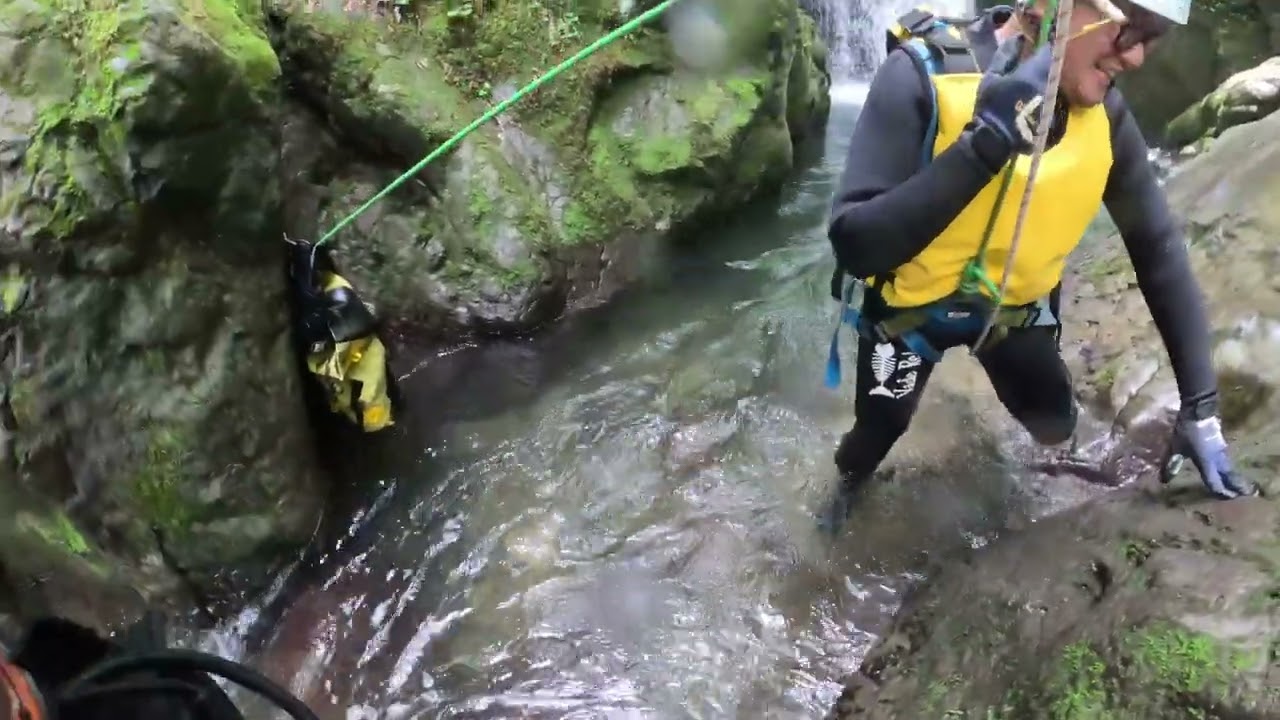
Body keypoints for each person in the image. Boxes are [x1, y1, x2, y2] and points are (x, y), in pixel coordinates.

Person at [822, 0, 1256, 530]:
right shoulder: (920, 75)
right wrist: (987, 142)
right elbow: (857, 246)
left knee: (1054, 423)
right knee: (875, 435)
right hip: (905, 319)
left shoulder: (1107, 118)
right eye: (1130, 31)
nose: (1137, 57)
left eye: (1153, 38)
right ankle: (841, 498)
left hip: (1011, 317)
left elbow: (1158, 249)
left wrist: (1201, 407)